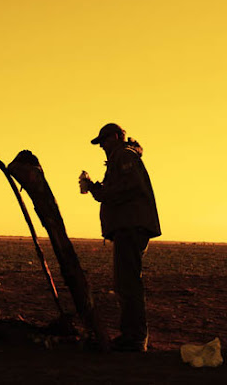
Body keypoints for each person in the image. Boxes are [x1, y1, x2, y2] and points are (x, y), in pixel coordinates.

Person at [79, 123, 161, 352]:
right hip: (129, 226)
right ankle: (132, 335)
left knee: (128, 283)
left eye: (104, 141)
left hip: (130, 226)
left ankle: (134, 338)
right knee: (126, 282)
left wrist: (97, 190)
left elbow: (127, 187)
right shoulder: (124, 156)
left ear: (115, 137)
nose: (102, 146)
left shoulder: (123, 156)